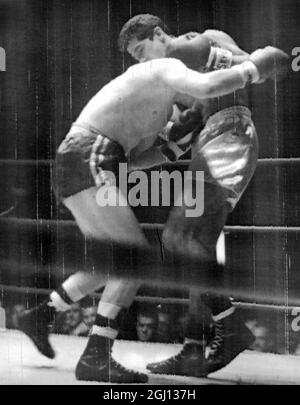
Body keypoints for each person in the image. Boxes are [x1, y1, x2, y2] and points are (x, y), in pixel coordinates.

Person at [18, 45, 288, 383]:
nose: (200, 107)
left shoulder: (159, 111)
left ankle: (41, 315)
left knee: (112, 262)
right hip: (89, 157)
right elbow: (207, 87)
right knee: (132, 260)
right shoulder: (165, 67)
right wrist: (253, 68)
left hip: (88, 162)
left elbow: (135, 161)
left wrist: (174, 145)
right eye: (198, 104)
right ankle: (96, 357)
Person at [118, 14, 289, 377]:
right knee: (199, 250)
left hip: (225, 137)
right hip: (223, 138)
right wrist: (128, 164)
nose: (142, 62)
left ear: (159, 34)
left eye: (140, 51)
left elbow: (262, 62)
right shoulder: (196, 61)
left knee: (175, 237)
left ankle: (231, 322)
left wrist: (247, 61)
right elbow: (179, 139)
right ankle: (193, 349)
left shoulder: (186, 49)